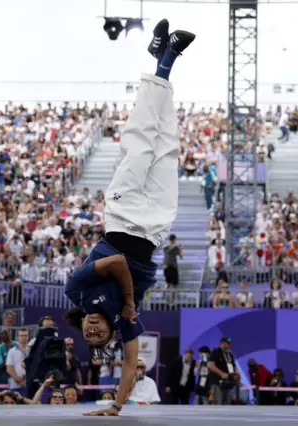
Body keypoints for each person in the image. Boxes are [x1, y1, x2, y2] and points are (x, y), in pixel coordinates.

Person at [64, 19, 196, 417]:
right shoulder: (126, 325)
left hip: (123, 215)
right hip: (154, 226)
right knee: (167, 148)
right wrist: (116, 407)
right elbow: (129, 365)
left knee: (140, 142)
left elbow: (118, 262)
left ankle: (164, 60)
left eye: (88, 331)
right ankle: (162, 60)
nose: (92, 329)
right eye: (97, 334)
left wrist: (126, 303)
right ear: (107, 334)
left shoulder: (77, 290)